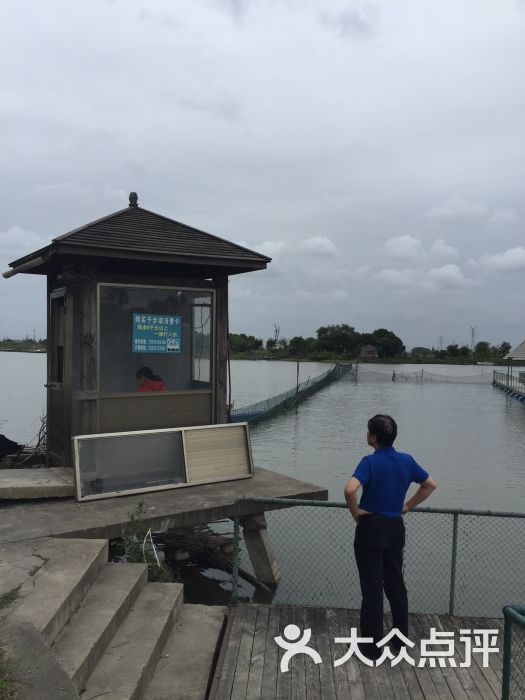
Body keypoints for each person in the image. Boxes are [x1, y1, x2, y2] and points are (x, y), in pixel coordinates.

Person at [344, 414, 437, 660]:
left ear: (373, 437)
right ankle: (399, 641)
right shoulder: (406, 461)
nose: (367, 435)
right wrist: (407, 505)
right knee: (396, 585)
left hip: (371, 528)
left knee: (372, 589)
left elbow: (349, 489)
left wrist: (355, 513)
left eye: (368, 432)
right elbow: (430, 484)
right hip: (395, 527)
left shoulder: (369, 462)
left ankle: (371, 648)